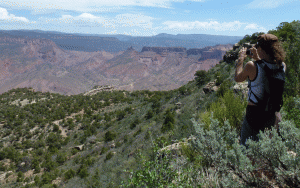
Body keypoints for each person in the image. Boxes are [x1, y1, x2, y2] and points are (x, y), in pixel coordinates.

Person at [234, 34, 286, 147]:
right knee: (266, 147)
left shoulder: (252, 66)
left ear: (261, 48)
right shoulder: (282, 66)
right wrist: (258, 58)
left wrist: (240, 60)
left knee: (246, 148)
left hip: (254, 114)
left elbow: (238, 78)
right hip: (272, 113)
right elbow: (267, 70)